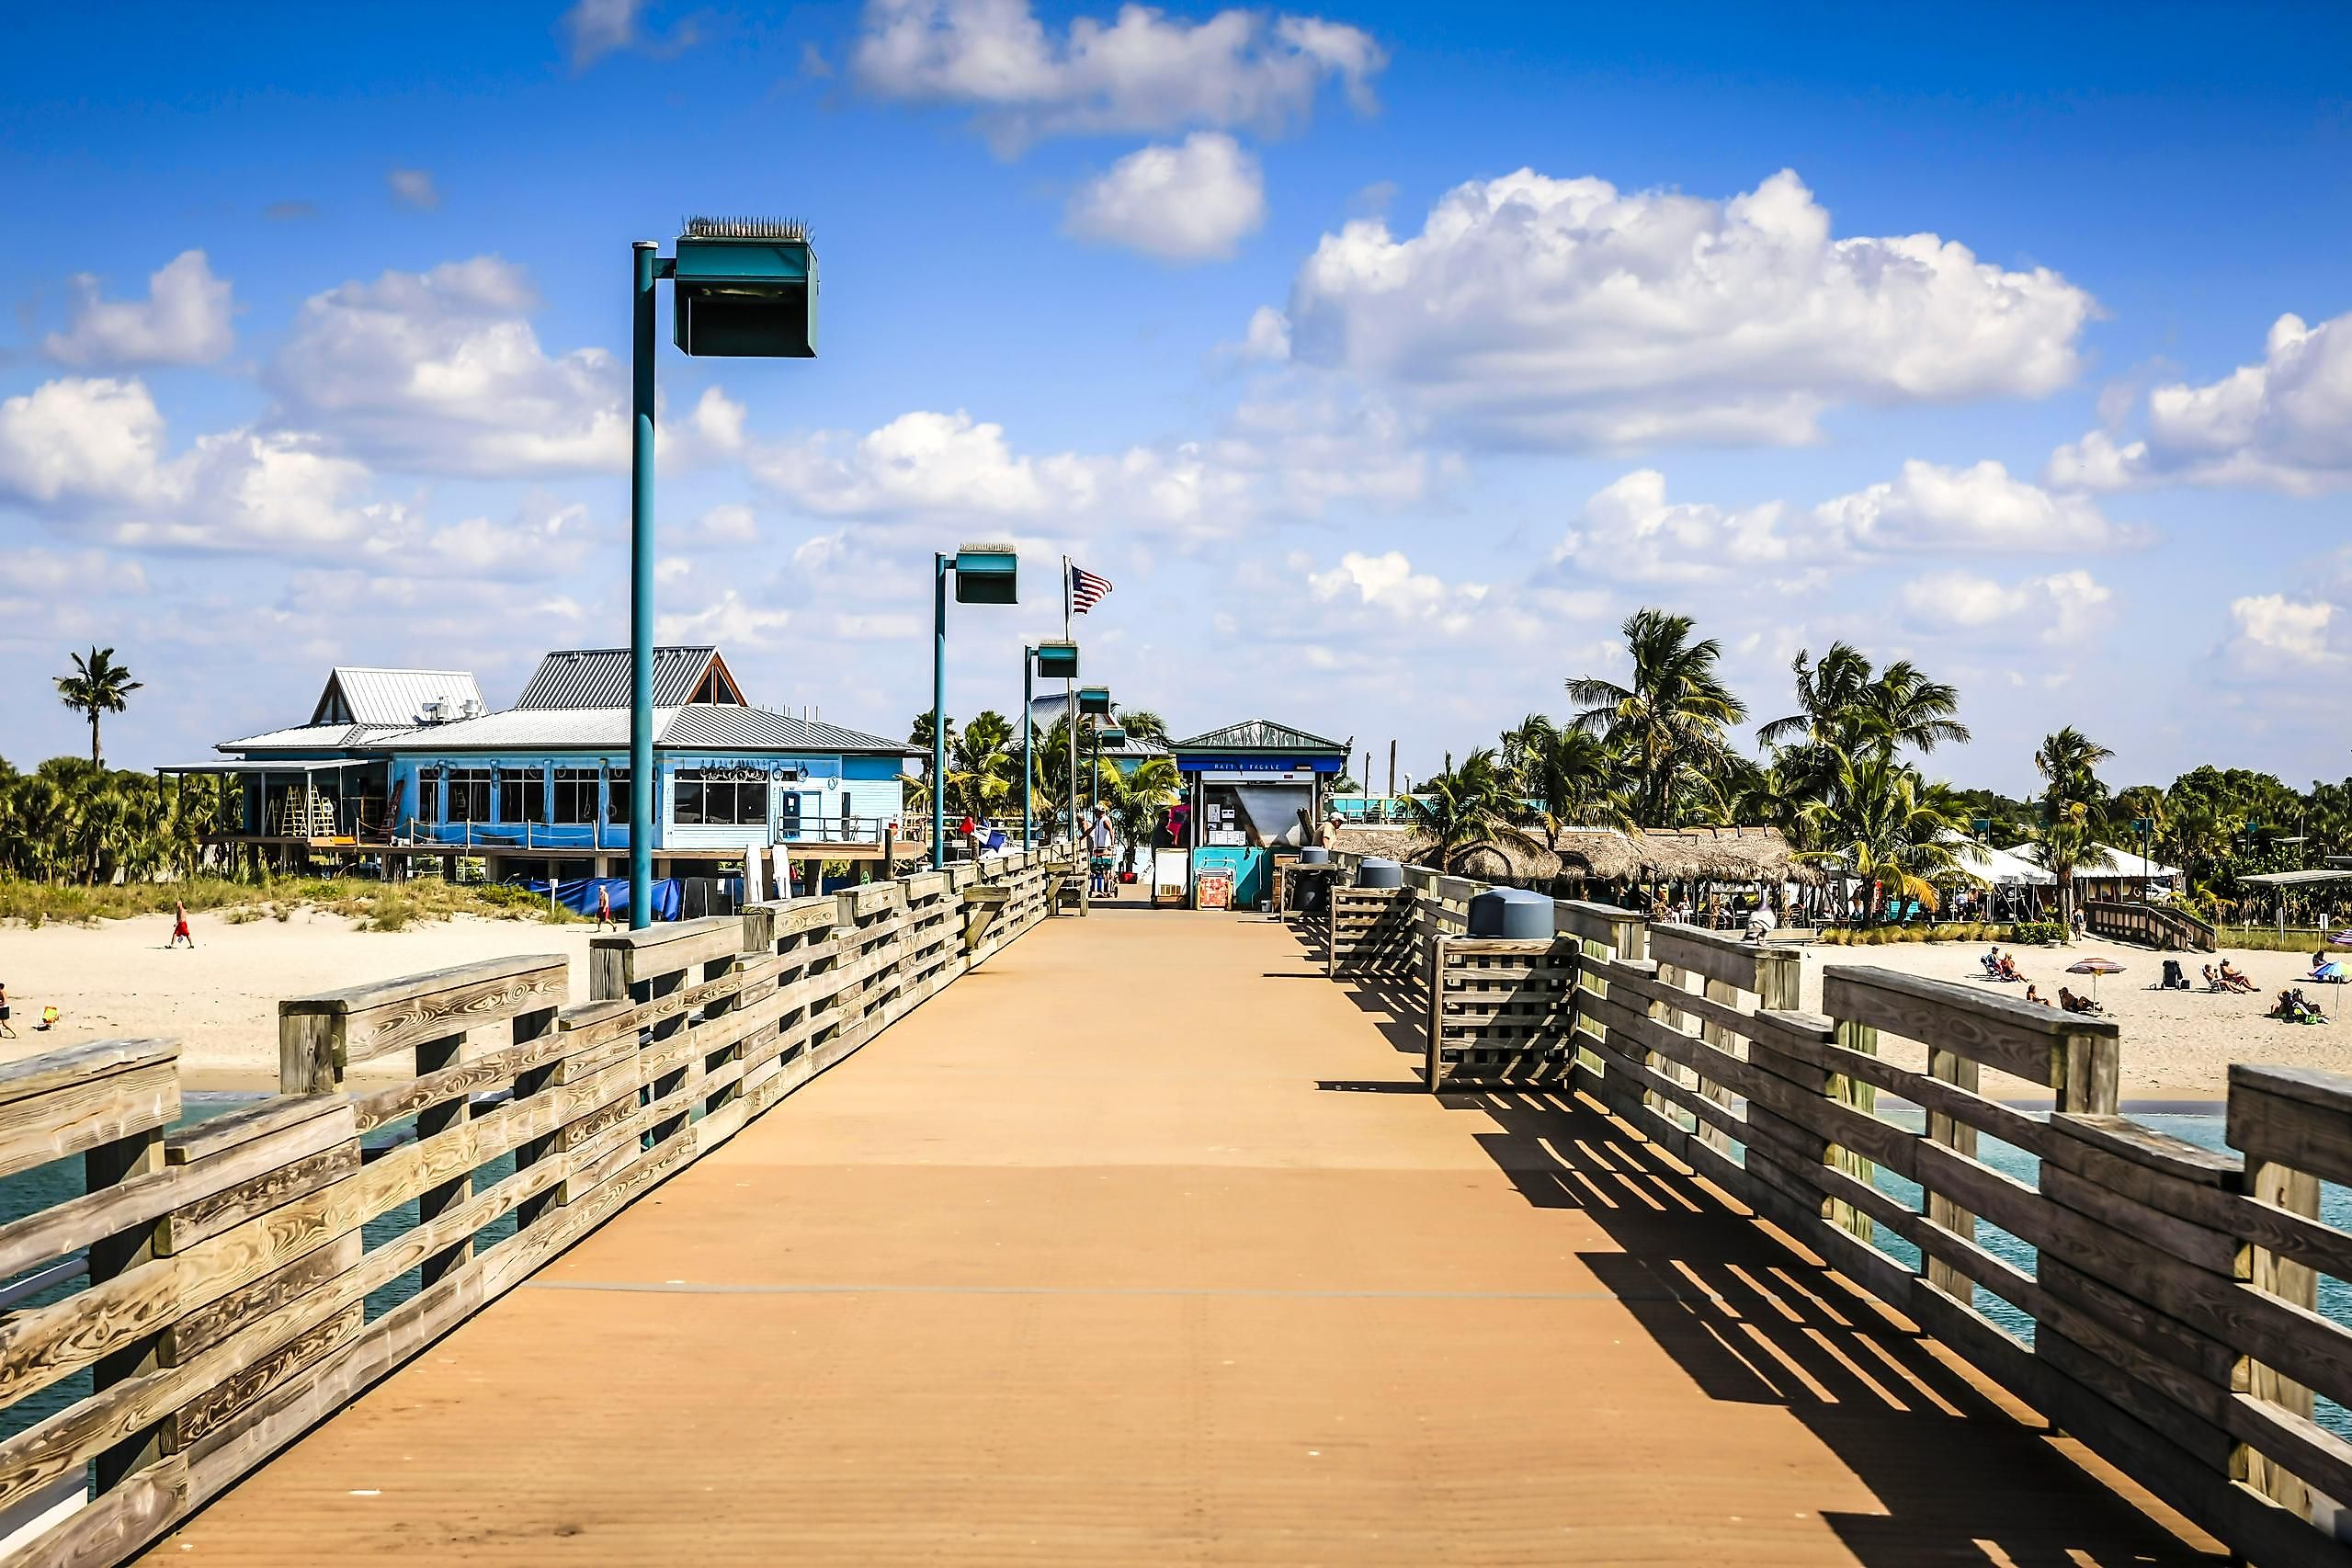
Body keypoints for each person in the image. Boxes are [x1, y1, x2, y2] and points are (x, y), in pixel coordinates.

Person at [1088, 807, 1114, 896]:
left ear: (1100, 812)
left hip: (1105, 848)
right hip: (1098, 848)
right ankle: (1100, 889)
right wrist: (1081, 838)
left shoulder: (1104, 820)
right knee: (1098, 869)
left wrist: (1112, 844)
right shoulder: (1098, 821)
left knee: (1105, 870)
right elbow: (1090, 829)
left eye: (1096, 812)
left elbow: (1111, 831)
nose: (1095, 814)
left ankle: (1107, 889)